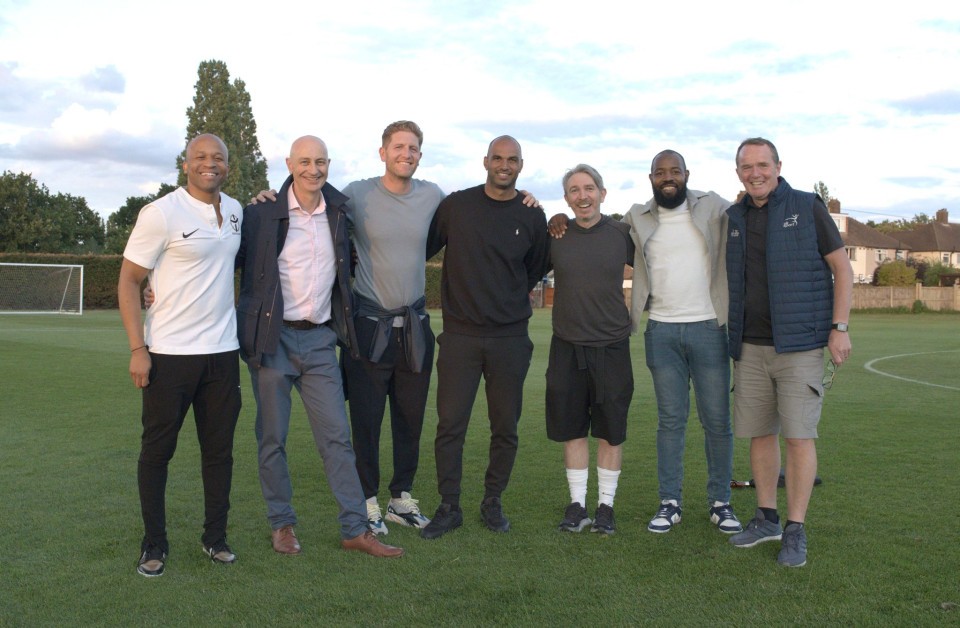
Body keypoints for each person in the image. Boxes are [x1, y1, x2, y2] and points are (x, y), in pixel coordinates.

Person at [549, 150, 742, 537]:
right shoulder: (627, 222)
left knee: (716, 422)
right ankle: (662, 502)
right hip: (655, 331)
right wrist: (553, 218)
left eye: (674, 171)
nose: (667, 177)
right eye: (574, 190)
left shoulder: (703, 210)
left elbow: (747, 209)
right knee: (667, 422)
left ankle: (718, 502)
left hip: (703, 328)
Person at [236, 135, 403, 559]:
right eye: (305, 161)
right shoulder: (260, 212)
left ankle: (354, 529)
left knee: (337, 438)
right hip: (273, 341)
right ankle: (282, 525)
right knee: (272, 438)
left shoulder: (339, 211)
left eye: (321, 161)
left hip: (319, 341)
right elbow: (219, 259)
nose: (314, 169)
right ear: (290, 163)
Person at [118, 133, 243, 577]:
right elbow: (130, 281)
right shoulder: (161, 213)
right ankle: (154, 544)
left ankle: (215, 539)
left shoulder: (235, 211)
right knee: (157, 452)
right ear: (185, 163)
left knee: (219, 453)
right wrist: (139, 349)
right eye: (200, 157)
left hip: (223, 355)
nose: (210, 164)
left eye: (218, 158)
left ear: (229, 165)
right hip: (169, 355)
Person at [725, 137, 852, 567]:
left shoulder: (806, 206)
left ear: (778, 166)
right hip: (749, 347)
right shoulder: (734, 216)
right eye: (747, 166)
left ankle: (795, 529)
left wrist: (840, 328)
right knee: (760, 435)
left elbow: (842, 268)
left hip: (799, 345)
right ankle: (766, 518)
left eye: (763, 164)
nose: (755, 173)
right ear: (738, 171)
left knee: (798, 437)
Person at [419, 136, 550, 539]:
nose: (504, 165)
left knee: (505, 426)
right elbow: (422, 247)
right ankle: (449, 505)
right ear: (485, 161)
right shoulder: (456, 206)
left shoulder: (531, 216)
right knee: (450, 425)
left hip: (510, 337)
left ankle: (493, 501)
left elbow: (534, 269)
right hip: (460, 335)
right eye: (498, 158)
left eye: (512, 160)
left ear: (521, 165)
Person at [340, 121, 443, 535]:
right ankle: (367, 501)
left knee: (410, 418)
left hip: (414, 328)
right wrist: (268, 197)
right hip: (369, 327)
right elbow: (305, 204)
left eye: (414, 147)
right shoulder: (356, 193)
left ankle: (401, 498)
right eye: (398, 146)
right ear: (382, 152)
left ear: (420, 154)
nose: (406, 153)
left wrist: (527, 200)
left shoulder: (433, 196)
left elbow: (473, 215)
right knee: (365, 420)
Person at [547, 165, 634, 535]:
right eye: (573, 190)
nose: (582, 196)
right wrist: (551, 218)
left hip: (612, 346)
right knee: (572, 430)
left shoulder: (623, 235)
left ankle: (605, 508)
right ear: (566, 198)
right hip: (567, 346)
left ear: (602, 192)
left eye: (588, 188)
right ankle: (577, 505)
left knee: (611, 432)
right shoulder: (556, 234)